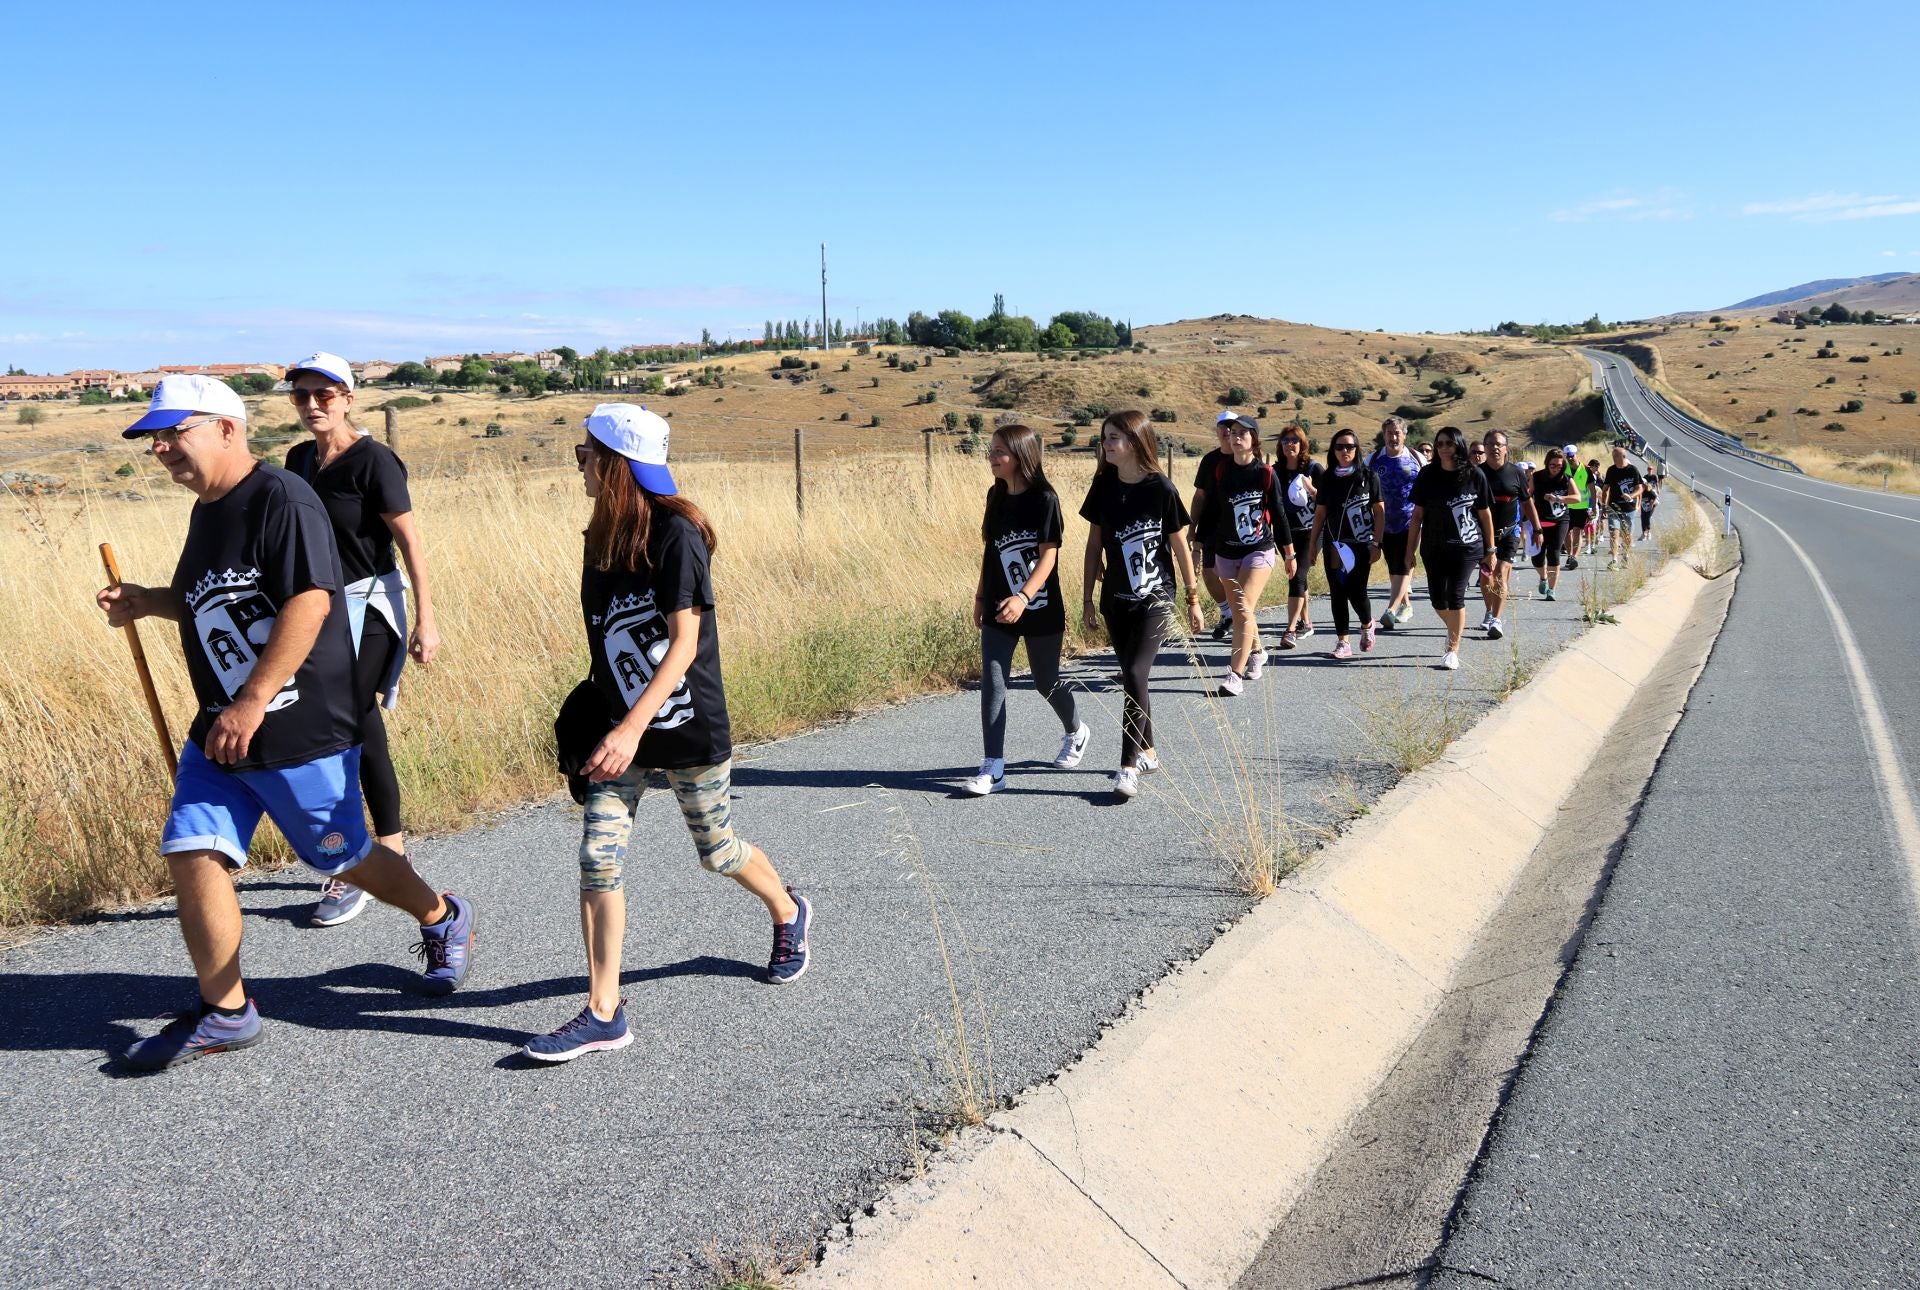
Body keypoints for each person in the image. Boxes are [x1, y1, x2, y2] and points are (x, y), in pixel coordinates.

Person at [99, 376, 474, 1073]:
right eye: (155, 438)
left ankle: (441, 914)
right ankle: (228, 1010)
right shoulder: (208, 510)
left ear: (226, 429)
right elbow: (207, 601)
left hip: (297, 727)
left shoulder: (283, 500)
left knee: (344, 858)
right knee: (191, 851)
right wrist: (147, 601)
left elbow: (308, 604)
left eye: (174, 432)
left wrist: (253, 699)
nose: (160, 449)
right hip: (221, 731)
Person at [533, 404, 811, 1062]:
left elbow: (684, 645)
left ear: (615, 464)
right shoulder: (596, 542)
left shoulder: (676, 535)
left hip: (685, 728)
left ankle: (789, 911)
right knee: (598, 858)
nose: (578, 462)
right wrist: (599, 722)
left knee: (717, 852)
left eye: (585, 453)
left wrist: (633, 727)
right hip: (616, 731)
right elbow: (609, 648)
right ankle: (604, 1011)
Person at [281, 352, 442, 928]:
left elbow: (411, 545)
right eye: (302, 395)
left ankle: (384, 851)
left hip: (371, 605)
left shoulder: (375, 461)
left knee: (354, 714)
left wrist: (427, 620)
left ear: (349, 397)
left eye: (325, 394)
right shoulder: (298, 460)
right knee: (332, 720)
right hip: (317, 611)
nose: (313, 405)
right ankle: (362, 854)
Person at [1080, 411, 1204, 799]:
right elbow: (1093, 544)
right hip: (1116, 599)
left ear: (1134, 442)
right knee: (1136, 679)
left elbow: (1180, 546)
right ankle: (1148, 750)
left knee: (1134, 673)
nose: (1107, 444)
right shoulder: (1102, 486)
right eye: (1105, 438)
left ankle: (1128, 767)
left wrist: (1192, 597)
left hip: (1156, 597)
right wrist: (1086, 600)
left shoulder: (1161, 489)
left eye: (1114, 437)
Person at [965, 424, 1088, 795]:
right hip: (1000, 607)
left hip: (1040, 607)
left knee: (1045, 681)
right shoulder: (995, 495)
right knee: (993, 679)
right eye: (991, 450)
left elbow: (1049, 555)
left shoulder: (1044, 499)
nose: (992, 456)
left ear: (1020, 455)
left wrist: (1023, 597)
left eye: (999, 451)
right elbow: (991, 551)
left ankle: (1076, 730)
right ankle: (994, 766)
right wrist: (981, 597)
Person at [1196, 412, 1294, 693]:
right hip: (1227, 552)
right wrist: (1198, 543)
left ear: (1254, 440)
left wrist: (1289, 554)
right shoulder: (1221, 470)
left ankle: (1234, 676)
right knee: (1243, 612)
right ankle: (1257, 651)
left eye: (1242, 433)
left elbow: (1279, 514)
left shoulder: (1265, 473)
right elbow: (1213, 511)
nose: (1235, 436)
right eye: (1233, 432)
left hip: (1258, 550)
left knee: (1240, 609)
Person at [1405, 426, 1493, 671]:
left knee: (1455, 596)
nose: (1444, 448)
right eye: (1440, 444)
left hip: (1466, 547)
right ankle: (1455, 628)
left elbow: (1485, 514)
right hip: (1433, 547)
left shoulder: (1475, 475)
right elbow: (1417, 516)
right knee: (1437, 600)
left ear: (1458, 445)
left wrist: (1491, 549)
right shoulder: (1427, 475)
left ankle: (1452, 649)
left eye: (1449, 443)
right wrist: (1409, 551)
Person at [1304, 429, 1385, 659]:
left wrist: (1377, 544)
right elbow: (1319, 515)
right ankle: (1343, 642)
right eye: (1339, 447)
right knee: (1338, 591)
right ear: (1333, 450)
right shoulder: (1328, 478)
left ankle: (1368, 624)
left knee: (1357, 591)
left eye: (1349, 446)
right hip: (1335, 545)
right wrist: (1312, 546)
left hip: (1361, 544)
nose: (1344, 451)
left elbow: (1379, 512)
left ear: (1357, 449)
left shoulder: (1368, 476)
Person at [1476, 429, 1536, 642]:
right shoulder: (1477, 473)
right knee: (1486, 577)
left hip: (1510, 532)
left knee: (1501, 571)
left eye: (1499, 444)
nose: (1494, 448)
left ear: (1506, 449)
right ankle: (1489, 610)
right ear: (1485, 448)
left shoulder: (1516, 473)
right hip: (1483, 534)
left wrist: (1537, 529)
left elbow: (1527, 502)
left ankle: (1497, 620)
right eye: (1490, 444)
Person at [1190, 414, 1241, 641]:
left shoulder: (1245, 459)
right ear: (1217, 430)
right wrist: (1192, 528)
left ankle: (1241, 619)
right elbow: (1199, 496)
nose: (1228, 430)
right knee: (1209, 574)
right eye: (1223, 426)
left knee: (1236, 579)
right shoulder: (1209, 460)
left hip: (1239, 529)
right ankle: (1229, 613)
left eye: (1232, 426)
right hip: (1211, 527)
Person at [1368, 416, 1422, 631]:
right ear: (1384, 435)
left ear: (1405, 435)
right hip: (1383, 523)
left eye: (1397, 432)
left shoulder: (1417, 459)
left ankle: (1391, 609)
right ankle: (1406, 605)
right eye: (1389, 433)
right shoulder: (1372, 460)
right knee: (1393, 565)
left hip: (1412, 520)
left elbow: (1427, 486)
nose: (1393, 437)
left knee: (1406, 561)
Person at [1273, 426, 1321, 648]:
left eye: (1294, 440)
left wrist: (1312, 489)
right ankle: (1307, 622)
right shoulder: (1274, 471)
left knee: (1297, 577)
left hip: (1311, 534)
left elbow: (1330, 500)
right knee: (1298, 577)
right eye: (1285, 440)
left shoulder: (1314, 468)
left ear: (1302, 444)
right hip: (1285, 536)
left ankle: (1290, 629)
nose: (1289, 444)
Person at [1529, 448, 1581, 601]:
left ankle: (1551, 590)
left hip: (1560, 520)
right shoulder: (1537, 477)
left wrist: (1559, 498)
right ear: (1547, 464)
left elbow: (1577, 498)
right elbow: (1527, 494)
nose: (1556, 468)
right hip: (1539, 520)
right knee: (1537, 557)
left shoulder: (1566, 478)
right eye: (1553, 465)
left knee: (1554, 553)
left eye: (1559, 465)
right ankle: (1543, 577)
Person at [1601, 443, 1645, 569]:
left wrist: (1631, 495)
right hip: (1613, 507)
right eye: (1613, 456)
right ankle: (1614, 560)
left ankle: (1625, 555)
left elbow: (1640, 488)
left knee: (1627, 535)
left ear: (1623, 456)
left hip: (1629, 508)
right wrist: (1604, 505)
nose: (1613, 458)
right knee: (1614, 533)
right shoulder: (1611, 470)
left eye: (1615, 456)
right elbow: (1605, 489)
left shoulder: (1632, 470)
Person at [1563, 445, 1590, 570]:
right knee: (1566, 533)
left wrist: (1593, 506)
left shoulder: (1585, 469)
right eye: (1568, 457)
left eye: (1572, 456)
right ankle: (1569, 555)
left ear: (1576, 454)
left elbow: (1592, 489)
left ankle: (1575, 556)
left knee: (1577, 531)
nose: (1570, 459)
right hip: (1567, 506)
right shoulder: (1563, 469)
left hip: (1581, 506)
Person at [1583, 458, 1604, 555]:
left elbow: (1601, 500)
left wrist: (1602, 509)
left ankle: (1593, 546)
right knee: (1586, 528)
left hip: (1593, 508)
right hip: (1585, 507)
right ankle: (1588, 546)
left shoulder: (1598, 488)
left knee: (1592, 527)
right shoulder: (1584, 487)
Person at [1639, 468, 1661, 538]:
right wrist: (1638, 505)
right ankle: (1643, 533)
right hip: (1643, 504)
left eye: (1643, 484)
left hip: (1651, 503)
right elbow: (1637, 497)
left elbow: (1654, 496)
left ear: (1645, 484)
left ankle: (1648, 532)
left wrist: (1651, 504)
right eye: (1641, 484)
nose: (1642, 485)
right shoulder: (1640, 490)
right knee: (1642, 517)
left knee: (1647, 517)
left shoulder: (1649, 490)